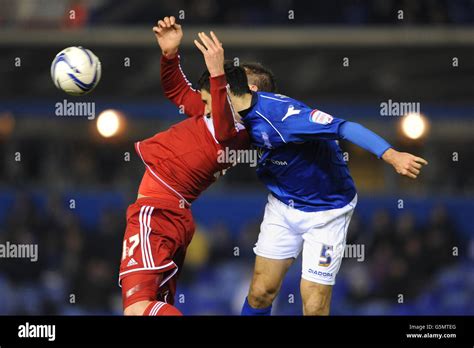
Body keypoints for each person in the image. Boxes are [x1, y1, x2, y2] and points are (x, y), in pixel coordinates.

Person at [194, 32, 428, 315]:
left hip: (326, 211)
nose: (206, 111)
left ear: (249, 89)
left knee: (314, 301)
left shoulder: (288, 117)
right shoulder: (234, 118)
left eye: (210, 102)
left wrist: (392, 155)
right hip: (283, 205)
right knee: (260, 292)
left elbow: (345, 128)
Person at [119, 16, 274, 316]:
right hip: (169, 213)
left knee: (136, 310)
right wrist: (169, 56)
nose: (227, 80)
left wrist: (217, 73)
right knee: (156, 307)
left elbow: (225, 128)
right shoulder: (214, 115)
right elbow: (178, 93)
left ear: (251, 89)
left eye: (235, 78)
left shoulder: (239, 130)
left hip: (157, 213)